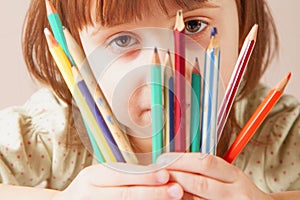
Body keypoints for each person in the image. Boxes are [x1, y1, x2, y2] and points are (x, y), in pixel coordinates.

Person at [0, 0, 299, 199]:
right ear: (75, 53)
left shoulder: (281, 134)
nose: (165, 68)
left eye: (193, 26)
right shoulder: (56, 129)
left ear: (245, 26)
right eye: (123, 40)